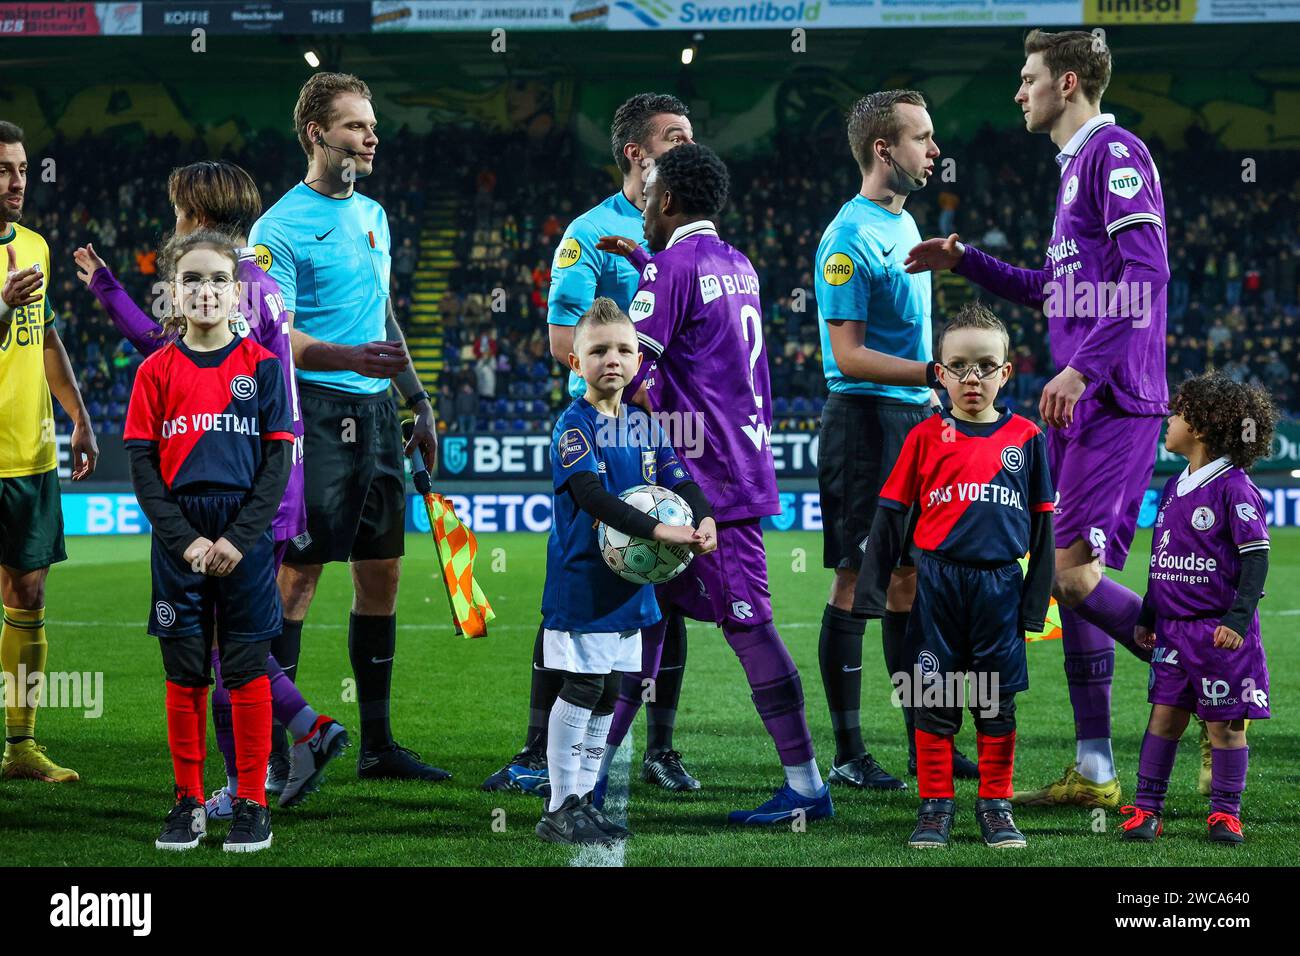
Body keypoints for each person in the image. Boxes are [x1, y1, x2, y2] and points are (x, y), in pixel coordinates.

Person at [906, 29, 1170, 807]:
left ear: (1068, 81)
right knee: (1076, 578)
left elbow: (1147, 274)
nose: (1018, 93)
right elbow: (1056, 292)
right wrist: (968, 263)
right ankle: (1094, 769)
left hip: (1111, 397)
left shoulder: (1113, 154)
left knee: (1068, 573)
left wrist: (1084, 368)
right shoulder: (1071, 171)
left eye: (1028, 79)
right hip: (1086, 400)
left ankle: (1208, 674)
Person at [73, 160, 348, 814]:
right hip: (278, 478)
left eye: (178, 207)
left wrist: (107, 289)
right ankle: (280, 754)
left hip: (241, 487)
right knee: (238, 643)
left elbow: (167, 350)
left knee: (227, 647)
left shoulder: (228, 284)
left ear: (195, 212)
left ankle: (293, 742)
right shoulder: (261, 279)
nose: (174, 219)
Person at [596, 144, 832, 825]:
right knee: (649, 618)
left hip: (706, 487)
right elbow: (702, 341)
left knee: (748, 624)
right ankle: (596, 768)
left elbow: (632, 372)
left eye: (647, 201)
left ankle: (809, 787)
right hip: (727, 468)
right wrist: (647, 264)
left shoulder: (671, 267)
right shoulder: (738, 265)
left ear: (667, 201)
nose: (641, 212)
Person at [483, 93, 701, 796]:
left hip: (674, 433)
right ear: (637, 153)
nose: (687, 148)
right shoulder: (588, 233)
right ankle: (535, 751)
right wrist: (632, 391)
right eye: (675, 138)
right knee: (577, 598)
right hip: (616, 431)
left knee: (667, 586)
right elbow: (558, 340)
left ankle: (660, 749)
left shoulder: (693, 236)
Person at [250, 72, 447, 782]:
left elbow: (384, 314)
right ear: (316, 135)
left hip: (377, 413)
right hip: (318, 414)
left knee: (382, 574)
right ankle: (283, 751)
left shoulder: (374, 215)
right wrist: (348, 356)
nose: (371, 137)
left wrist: (417, 400)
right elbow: (276, 336)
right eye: (356, 126)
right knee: (297, 580)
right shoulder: (276, 228)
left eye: (372, 125)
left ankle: (377, 745)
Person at [811, 89, 979, 791]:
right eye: (923, 137)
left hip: (914, 420)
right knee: (859, 580)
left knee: (912, 582)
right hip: (864, 423)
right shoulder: (847, 237)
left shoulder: (906, 228)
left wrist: (932, 387)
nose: (935, 150)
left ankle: (924, 747)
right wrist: (936, 372)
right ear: (885, 149)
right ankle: (850, 755)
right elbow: (846, 356)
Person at [857, 304, 1054, 848]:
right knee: (934, 700)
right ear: (938, 373)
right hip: (937, 588)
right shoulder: (922, 437)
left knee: (995, 704)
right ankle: (936, 806)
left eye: (985, 366)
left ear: (1005, 373)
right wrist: (871, 593)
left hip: (999, 590)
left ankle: (995, 805)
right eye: (959, 366)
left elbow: (1042, 533)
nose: (972, 377)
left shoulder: (1028, 438)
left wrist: (1033, 607)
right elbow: (891, 516)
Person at [125, 231, 292, 852]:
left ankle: (250, 801)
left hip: (242, 540)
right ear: (172, 289)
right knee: (186, 670)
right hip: (179, 541)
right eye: (191, 279)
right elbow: (144, 468)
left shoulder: (263, 369)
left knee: (245, 671)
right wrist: (188, 542)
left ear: (236, 290)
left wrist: (240, 540)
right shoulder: (154, 371)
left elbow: (276, 466)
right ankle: (187, 802)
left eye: (218, 279)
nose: (205, 290)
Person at [536, 297, 715, 844]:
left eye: (623, 349)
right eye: (598, 351)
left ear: (639, 359)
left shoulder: (645, 423)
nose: (611, 359)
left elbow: (680, 480)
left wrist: (704, 518)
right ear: (575, 362)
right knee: (584, 687)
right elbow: (591, 496)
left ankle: (585, 800)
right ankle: (559, 805)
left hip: (631, 585)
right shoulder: (574, 425)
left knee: (613, 692)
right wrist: (661, 531)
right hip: (585, 581)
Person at [1119, 373, 1274, 845]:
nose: (1169, 419)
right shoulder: (1172, 487)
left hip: (1218, 635)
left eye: (1178, 412)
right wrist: (1148, 613)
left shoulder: (1234, 488)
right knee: (1163, 718)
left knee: (1225, 726)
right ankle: (1146, 809)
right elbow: (1161, 561)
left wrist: (1236, 621)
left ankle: (1225, 813)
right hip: (1172, 632)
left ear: (1202, 428)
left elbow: (1256, 559)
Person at [0, 120, 98, 785]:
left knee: (28, 593)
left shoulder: (34, 244)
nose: (15, 183)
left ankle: (22, 746)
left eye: (23, 170)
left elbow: (45, 337)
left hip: (29, 456)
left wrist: (80, 418)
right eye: (3, 171)